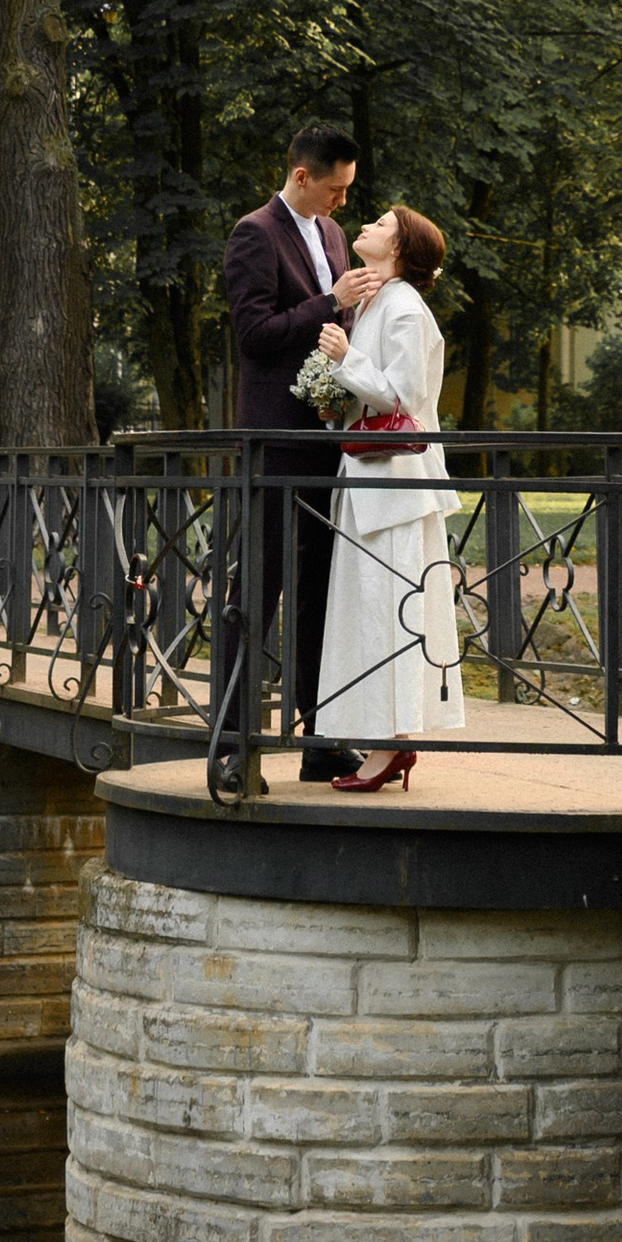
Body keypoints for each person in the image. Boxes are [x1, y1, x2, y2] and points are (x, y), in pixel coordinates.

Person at [222, 124, 376, 783]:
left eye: (349, 190)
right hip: (275, 439)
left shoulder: (334, 236)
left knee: (320, 591)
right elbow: (254, 334)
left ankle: (321, 740)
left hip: (325, 439)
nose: (343, 203)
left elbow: (334, 332)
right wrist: (330, 302)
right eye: (335, 189)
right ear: (303, 176)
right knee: (257, 587)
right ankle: (233, 746)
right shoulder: (254, 233)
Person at [313, 204, 465, 792]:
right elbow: (368, 397)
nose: (368, 227)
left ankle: (391, 746)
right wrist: (334, 398)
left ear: (398, 251)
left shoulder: (404, 307)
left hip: (398, 489)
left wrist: (345, 359)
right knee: (371, 613)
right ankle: (383, 742)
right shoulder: (376, 303)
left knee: (390, 613)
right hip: (371, 480)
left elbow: (406, 397)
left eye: (381, 224)